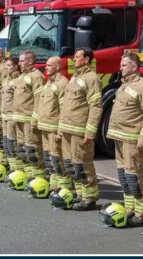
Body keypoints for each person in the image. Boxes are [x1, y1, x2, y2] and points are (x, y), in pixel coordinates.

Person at [107, 53, 143, 227]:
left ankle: (142, 213)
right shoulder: (124, 85)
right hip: (120, 138)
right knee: (124, 176)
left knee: (135, 176)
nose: (120, 68)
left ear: (134, 67)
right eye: (121, 65)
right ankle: (130, 209)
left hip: (133, 140)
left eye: (124, 65)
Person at [58, 47, 103, 211]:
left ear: (86, 60)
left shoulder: (92, 79)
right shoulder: (74, 78)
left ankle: (90, 197)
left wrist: (90, 132)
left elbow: (96, 107)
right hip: (67, 128)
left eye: (77, 57)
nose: (74, 60)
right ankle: (80, 194)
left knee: (82, 164)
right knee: (71, 164)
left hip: (79, 129)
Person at [33, 56, 69, 192]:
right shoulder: (49, 83)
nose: (45, 67)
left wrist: (60, 131)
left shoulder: (62, 84)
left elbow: (64, 110)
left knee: (56, 158)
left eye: (49, 65)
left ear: (58, 67)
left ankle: (64, 187)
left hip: (54, 128)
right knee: (49, 158)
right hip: (45, 127)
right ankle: (54, 186)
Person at [13, 50, 46, 180]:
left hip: (28, 119)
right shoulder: (21, 77)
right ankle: (28, 175)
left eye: (22, 61)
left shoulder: (36, 76)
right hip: (19, 118)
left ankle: (38, 177)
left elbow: (39, 99)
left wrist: (35, 117)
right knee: (22, 149)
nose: (19, 64)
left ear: (30, 61)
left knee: (32, 149)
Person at [1, 57, 21, 171]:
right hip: (5, 115)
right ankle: (11, 165)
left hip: (12, 116)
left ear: (16, 66)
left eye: (9, 65)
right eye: (6, 65)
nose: (7, 68)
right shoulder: (6, 80)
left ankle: (16, 168)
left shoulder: (17, 80)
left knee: (12, 142)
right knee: (6, 142)